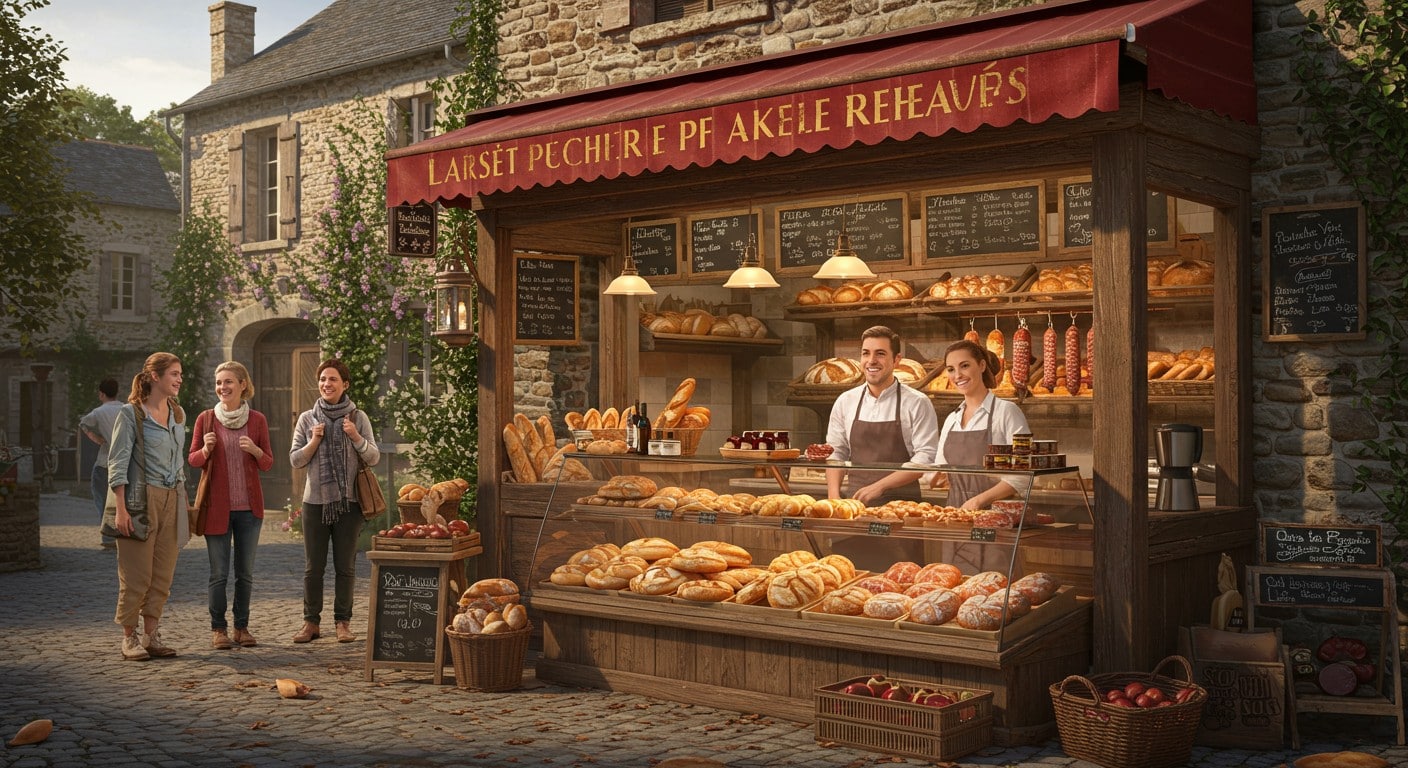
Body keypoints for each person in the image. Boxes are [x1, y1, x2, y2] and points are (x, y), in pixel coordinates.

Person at [289, 358, 379, 644]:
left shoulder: (358, 418)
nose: (326, 384)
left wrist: (355, 437)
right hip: (315, 503)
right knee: (313, 568)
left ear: (345, 384)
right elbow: (295, 460)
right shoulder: (307, 419)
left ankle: (343, 622)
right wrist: (314, 441)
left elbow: (373, 457)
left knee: (345, 566)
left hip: (349, 503)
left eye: (333, 379)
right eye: (323, 379)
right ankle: (310, 623)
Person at [188, 361, 274, 650]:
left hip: (249, 510)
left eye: (228, 382)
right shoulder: (206, 419)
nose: (222, 387)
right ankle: (218, 629)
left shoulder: (257, 420)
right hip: (216, 509)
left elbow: (268, 463)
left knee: (245, 574)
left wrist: (255, 450)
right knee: (218, 574)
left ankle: (242, 628)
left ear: (242, 385)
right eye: (219, 382)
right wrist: (206, 448)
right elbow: (193, 460)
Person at [108, 352, 187, 661]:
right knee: (136, 575)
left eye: (180, 374)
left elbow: (178, 461)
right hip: (140, 499)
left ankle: (152, 636)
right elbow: (118, 462)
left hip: (172, 498)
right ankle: (129, 638)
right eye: (174, 374)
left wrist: (183, 498)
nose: (179, 379)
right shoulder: (131, 414)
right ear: (155, 376)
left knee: (162, 574)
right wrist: (121, 509)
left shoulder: (178, 413)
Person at [825, 325, 940, 505]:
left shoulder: (917, 402)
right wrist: (834, 497)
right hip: (855, 504)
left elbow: (926, 456)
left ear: (896, 360)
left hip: (903, 507)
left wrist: (880, 486)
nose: (871, 360)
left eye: (880, 354)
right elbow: (836, 452)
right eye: (866, 353)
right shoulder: (845, 401)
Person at [934, 339, 1031, 509]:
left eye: (965, 366)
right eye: (951, 369)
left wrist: (978, 501)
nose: (957, 375)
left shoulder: (1007, 411)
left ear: (982, 365)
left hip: (995, 515)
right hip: (955, 513)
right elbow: (940, 471)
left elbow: (1025, 472)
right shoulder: (951, 420)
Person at [79, 377, 123, 548]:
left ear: (101, 394)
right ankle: (121, 535)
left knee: (102, 501)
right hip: (124, 463)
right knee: (122, 502)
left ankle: (108, 537)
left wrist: (96, 438)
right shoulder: (127, 409)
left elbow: (84, 423)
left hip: (105, 462)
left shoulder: (98, 412)